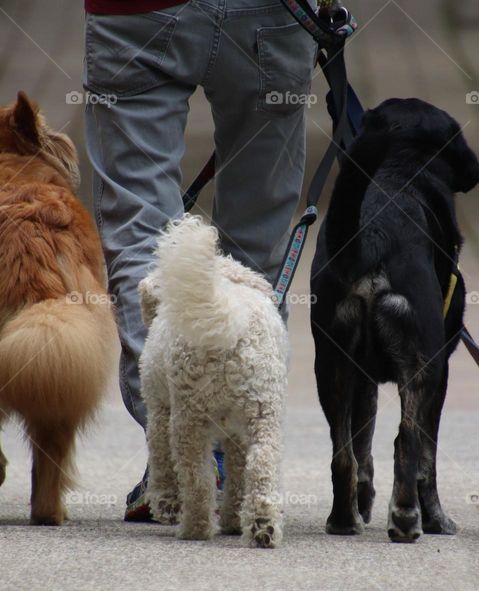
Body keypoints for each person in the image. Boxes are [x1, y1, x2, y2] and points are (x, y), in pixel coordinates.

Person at [83, 0, 316, 520]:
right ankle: (234, 459)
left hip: (137, 14)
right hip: (274, 13)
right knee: (257, 245)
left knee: (143, 230)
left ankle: (176, 456)